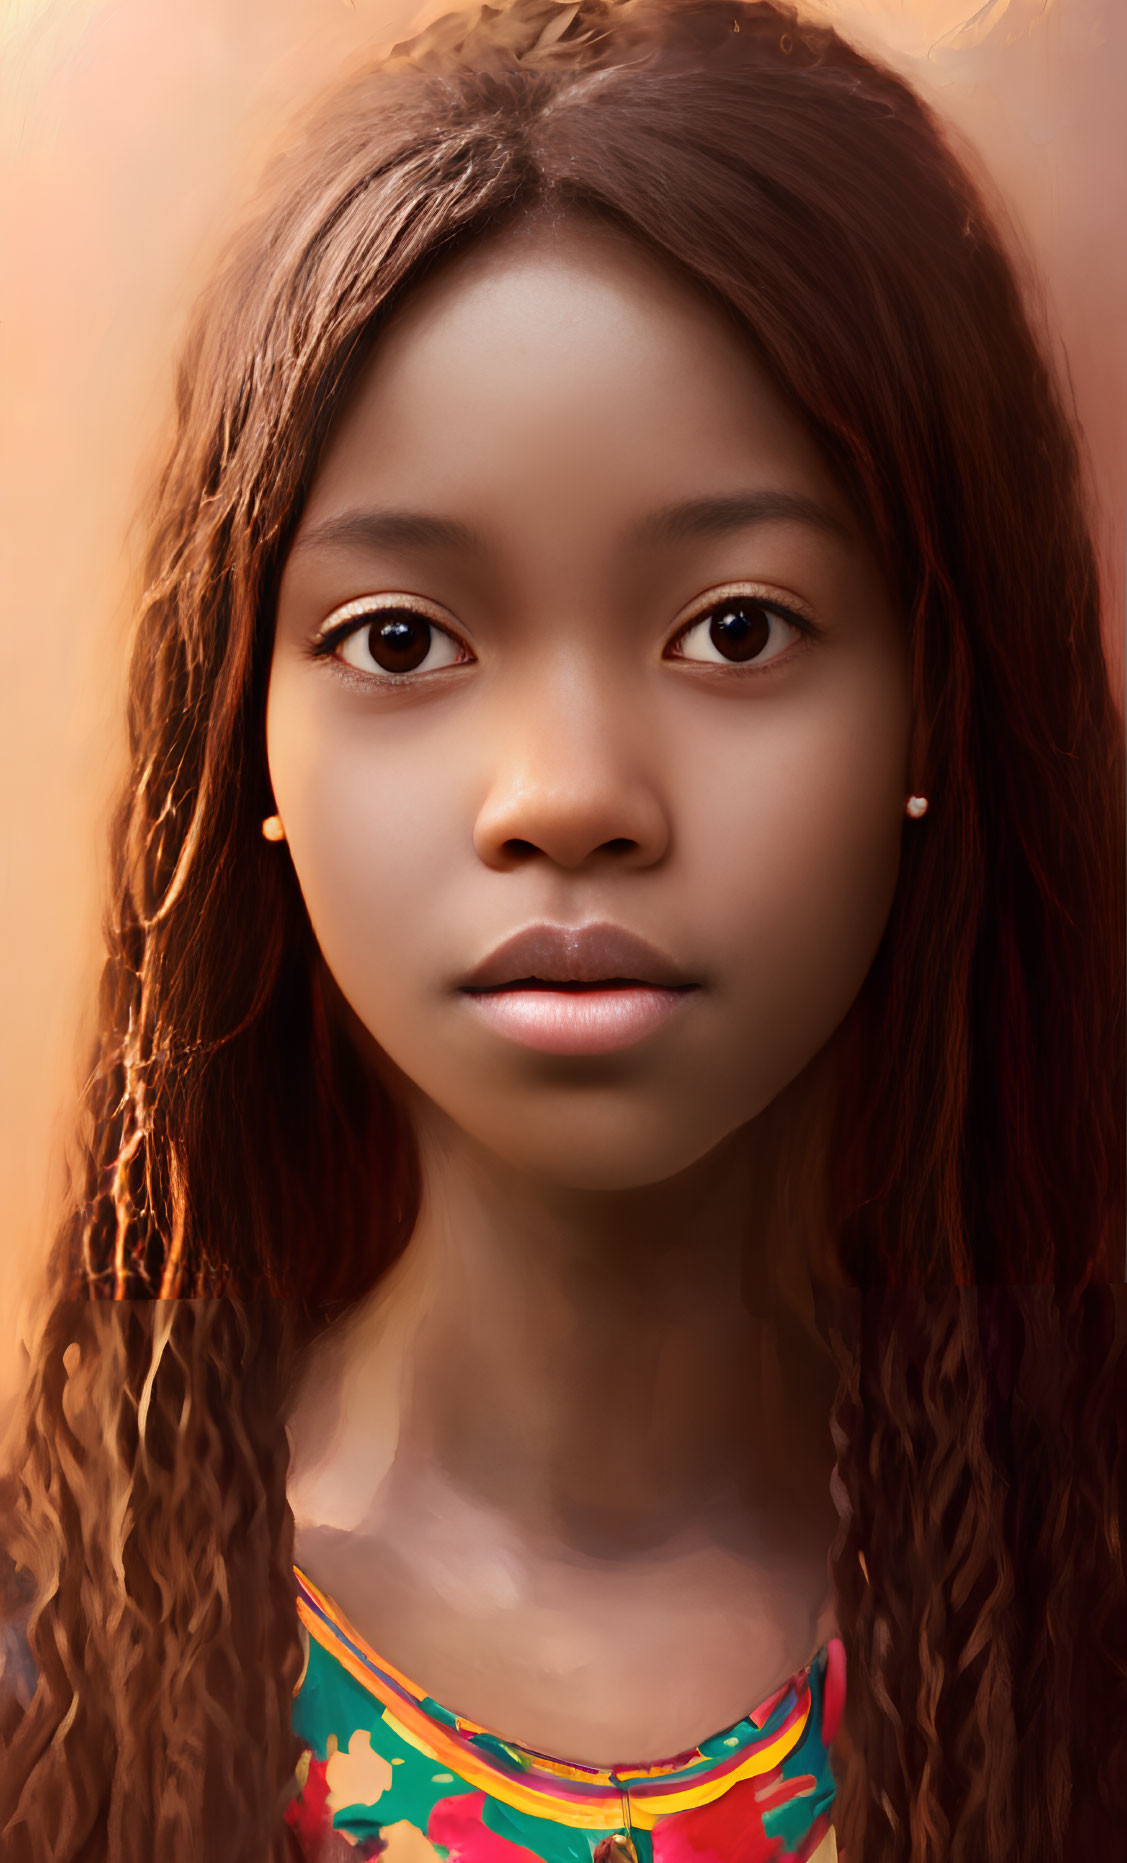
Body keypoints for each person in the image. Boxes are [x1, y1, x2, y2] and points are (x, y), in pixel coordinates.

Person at [0, 0, 1123, 1858]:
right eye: (403, 640)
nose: (567, 791)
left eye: (739, 628)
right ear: (242, 746)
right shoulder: (61, 1678)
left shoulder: (1074, 1636)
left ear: (942, 708)